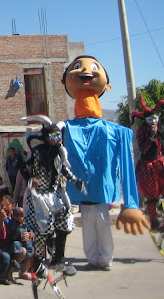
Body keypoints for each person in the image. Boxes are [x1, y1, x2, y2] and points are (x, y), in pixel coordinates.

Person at [61, 56, 149, 271]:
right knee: (89, 229)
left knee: (101, 227)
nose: (85, 71)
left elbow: (127, 164)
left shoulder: (113, 131)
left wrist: (131, 202)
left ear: (106, 85)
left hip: (101, 196)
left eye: (92, 68)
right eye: (77, 67)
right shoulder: (68, 129)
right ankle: (93, 258)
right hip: (84, 197)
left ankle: (105, 259)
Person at [21, 115, 83, 276]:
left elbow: (64, 170)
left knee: (65, 223)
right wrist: (31, 179)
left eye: (59, 136)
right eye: (54, 136)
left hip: (53, 195)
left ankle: (58, 260)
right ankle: (38, 263)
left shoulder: (59, 154)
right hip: (38, 196)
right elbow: (25, 169)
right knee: (44, 229)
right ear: (47, 138)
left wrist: (75, 180)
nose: (58, 140)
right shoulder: (37, 153)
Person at [131, 96, 164, 231]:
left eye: (155, 118)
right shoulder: (142, 132)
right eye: (150, 120)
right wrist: (151, 136)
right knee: (152, 195)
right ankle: (155, 222)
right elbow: (143, 149)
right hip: (148, 167)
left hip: (159, 163)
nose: (153, 122)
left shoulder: (161, 130)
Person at [10, 208, 33, 280]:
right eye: (22, 216)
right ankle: (9, 271)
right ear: (15, 217)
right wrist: (22, 235)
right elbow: (14, 234)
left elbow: (32, 230)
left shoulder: (25, 224)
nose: (24, 218)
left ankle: (23, 272)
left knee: (33, 251)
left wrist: (30, 234)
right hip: (17, 243)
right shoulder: (14, 224)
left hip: (26, 243)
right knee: (20, 249)